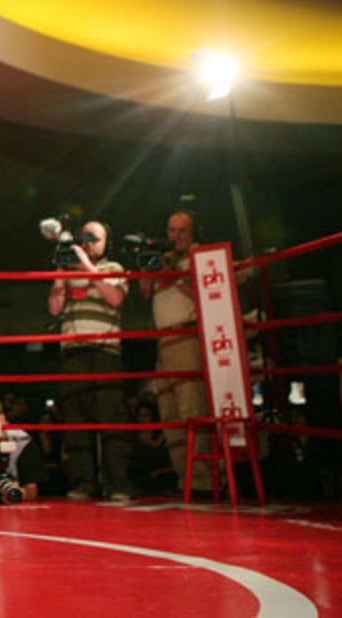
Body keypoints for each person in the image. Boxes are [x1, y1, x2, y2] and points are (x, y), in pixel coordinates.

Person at [46, 220, 132, 501]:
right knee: (76, 419)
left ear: (106, 242)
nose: (89, 243)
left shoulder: (113, 268)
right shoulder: (70, 272)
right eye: (85, 238)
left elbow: (115, 298)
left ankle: (117, 484)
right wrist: (61, 272)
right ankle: (84, 482)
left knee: (111, 417)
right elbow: (55, 308)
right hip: (72, 351)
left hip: (105, 351)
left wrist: (85, 266)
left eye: (95, 238)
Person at [139, 210, 214, 494]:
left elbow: (206, 295)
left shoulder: (201, 255)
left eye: (183, 230)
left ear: (194, 232)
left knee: (191, 408)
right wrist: (148, 265)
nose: (176, 236)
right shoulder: (166, 258)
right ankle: (186, 478)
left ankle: (204, 480)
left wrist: (173, 278)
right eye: (172, 230)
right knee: (169, 413)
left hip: (187, 334)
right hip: (163, 340)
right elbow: (146, 291)